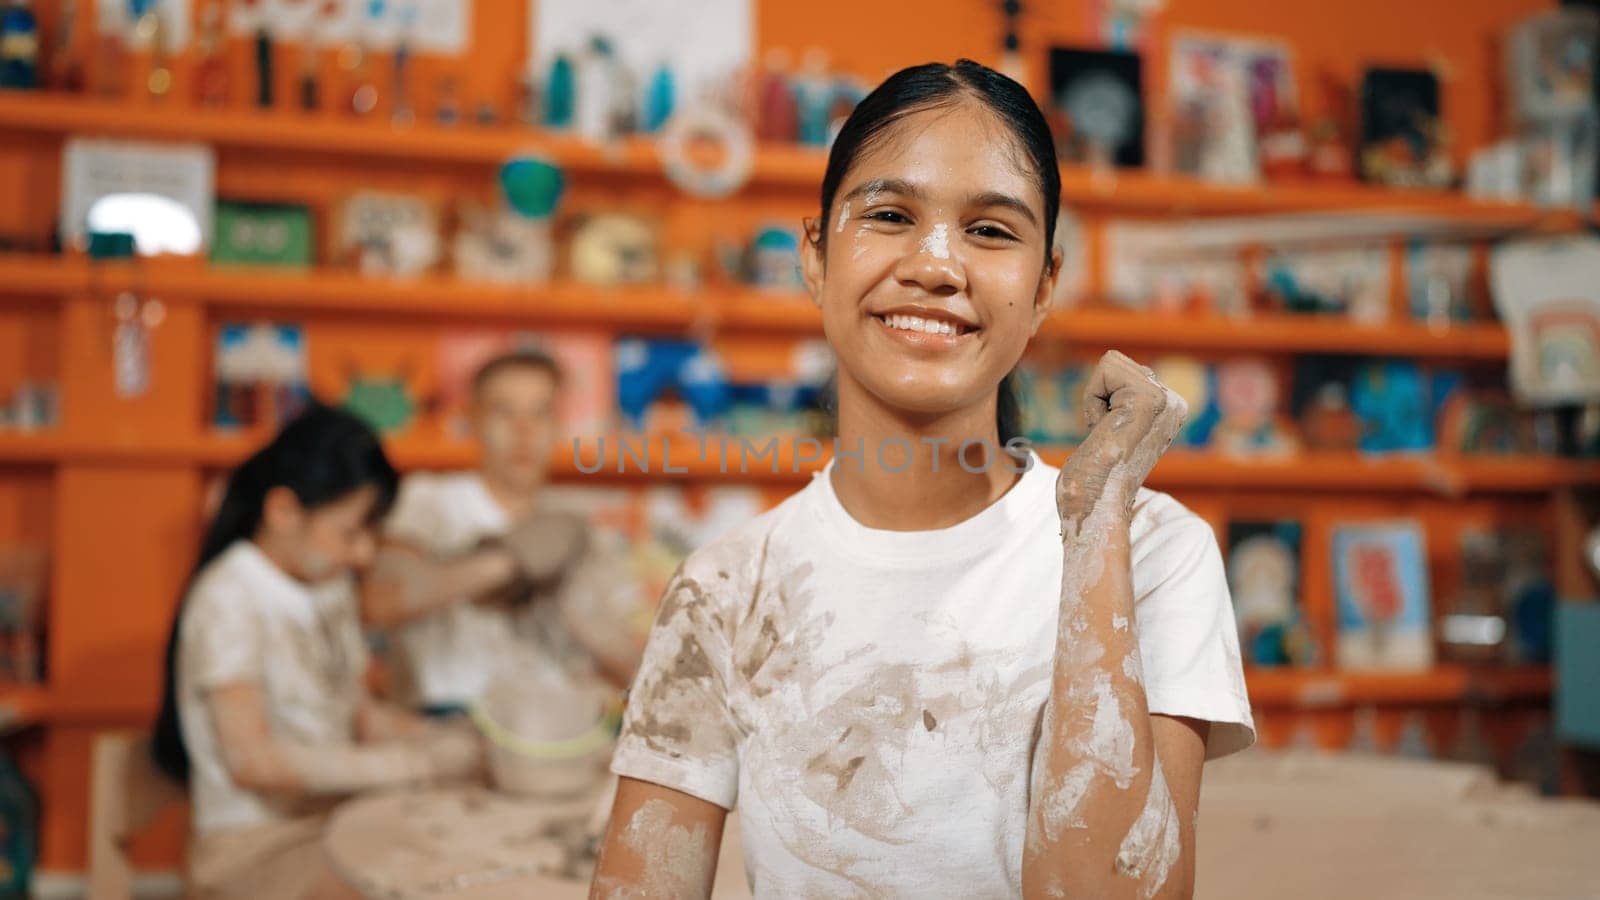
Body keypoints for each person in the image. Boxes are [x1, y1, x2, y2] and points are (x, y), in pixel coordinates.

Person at [590, 59, 1256, 898]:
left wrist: (1092, 533)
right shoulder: (724, 590)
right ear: (816, 256)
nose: (936, 265)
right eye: (891, 214)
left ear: (1046, 285)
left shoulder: (1151, 548)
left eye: (990, 230)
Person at [150, 403, 485, 900]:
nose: (364, 554)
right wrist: (411, 767)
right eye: (350, 532)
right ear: (283, 511)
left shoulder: (325, 584)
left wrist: (449, 737)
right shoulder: (229, 597)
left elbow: (358, 715)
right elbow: (255, 762)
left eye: (371, 534)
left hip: (330, 825)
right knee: (423, 879)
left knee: (473, 854)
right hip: (248, 850)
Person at [360, 347, 637, 718]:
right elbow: (380, 601)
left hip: (548, 731)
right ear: (472, 418)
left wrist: (580, 619)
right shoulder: (429, 501)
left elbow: (633, 666)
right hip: (445, 720)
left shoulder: (576, 527)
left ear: (559, 425)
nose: (524, 431)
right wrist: (507, 563)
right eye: (504, 411)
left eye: (541, 413)